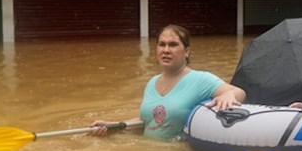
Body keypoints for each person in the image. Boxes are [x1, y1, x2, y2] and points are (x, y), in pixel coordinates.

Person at [89, 24, 246, 140]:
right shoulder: (152, 83)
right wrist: (112, 126)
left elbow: (239, 92)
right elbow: (147, 122)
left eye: (173, 45)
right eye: (161, 44)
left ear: (187, 52)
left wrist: (228, 95)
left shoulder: (201, 79)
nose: (166, 50)